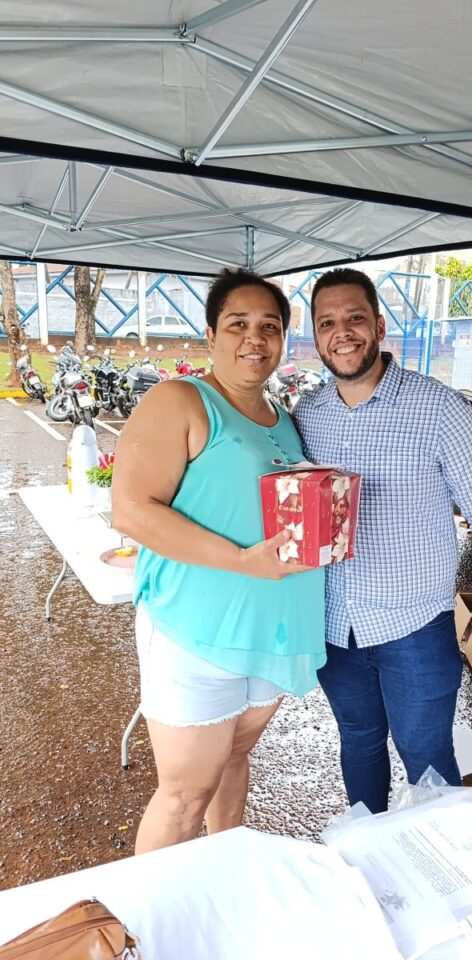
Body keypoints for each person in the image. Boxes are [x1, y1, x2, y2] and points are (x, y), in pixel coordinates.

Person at [293, 267, 472, 813]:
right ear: (315, 336)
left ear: (379, 326)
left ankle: (443, 859)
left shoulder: (438, 408)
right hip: (335, 625)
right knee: (358, 742)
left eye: (355, 318)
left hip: (415, 627)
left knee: (426, 759)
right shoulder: (308, 412)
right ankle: (368, 848)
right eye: (327, 323)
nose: (342, 333)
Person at [112, 269, 325, 854]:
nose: (255, 339)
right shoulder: (181, 400)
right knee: (184, 796)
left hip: (269, 630)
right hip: (196, 629)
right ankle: (154, 908)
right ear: (210, 335)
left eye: (270, 326)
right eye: (238, 324)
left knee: (233, 758)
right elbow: (131, 510)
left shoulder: (281, 416)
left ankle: (221, 874)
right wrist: (239, 559)